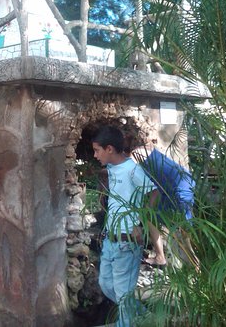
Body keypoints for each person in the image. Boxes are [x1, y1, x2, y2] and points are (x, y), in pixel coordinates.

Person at [92, 126, 155, 327]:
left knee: (123, 293)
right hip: (111, 239)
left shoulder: (133, 170)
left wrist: (140, 224)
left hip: (127, 241)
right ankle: (142, 315)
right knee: (105, 284)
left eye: (97, 150)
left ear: (109, 149)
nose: (95, 155)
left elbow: (154, 192)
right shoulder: (112, 168)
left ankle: (127, 322)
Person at [138, 148, 198, 269]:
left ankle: (195, 270)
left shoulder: (135, 158)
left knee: (181, 235)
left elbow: (155, 191)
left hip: (178, 190)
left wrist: (148, 209)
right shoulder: (142, 152)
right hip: (170, 189)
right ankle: (162, 257)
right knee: (151, 218)